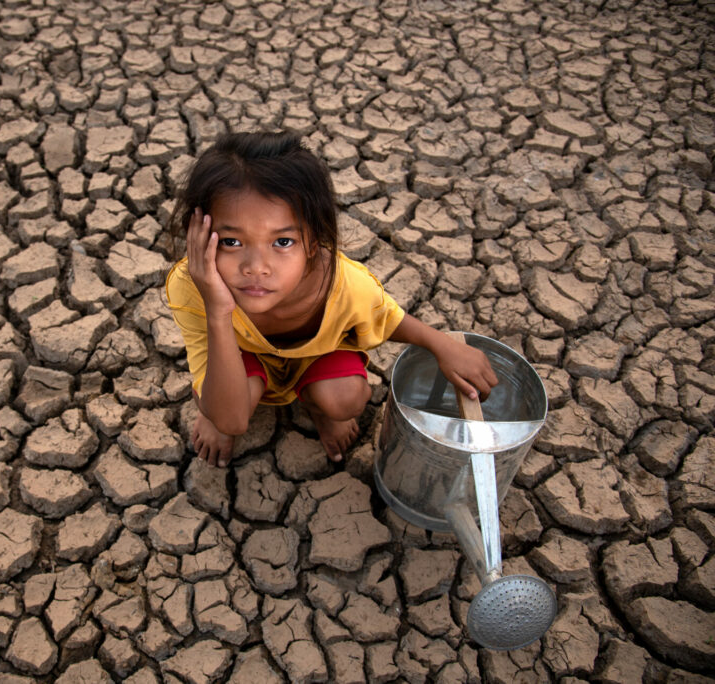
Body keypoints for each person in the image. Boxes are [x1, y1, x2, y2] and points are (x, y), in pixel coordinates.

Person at [165, 131, 497, 467]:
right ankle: (212, 406)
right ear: (200, 237)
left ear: (313, 242)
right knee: (223, 413)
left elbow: (385, 316)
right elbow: (233, 420)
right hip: (239, 359)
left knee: (346, 400)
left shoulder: (342, 284)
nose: (256, 268)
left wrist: (442, 345)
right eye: (232, 242)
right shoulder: (193, 285)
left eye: (282, 242)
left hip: (318, 357)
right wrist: (217, 310)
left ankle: (318, 407)